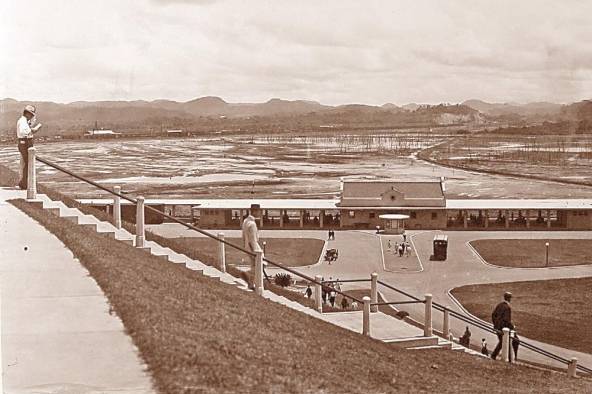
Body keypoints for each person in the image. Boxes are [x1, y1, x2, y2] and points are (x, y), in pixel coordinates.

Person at [16, 105, 42, 190]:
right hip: (25, 143)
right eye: (31, 114)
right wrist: (36, 128)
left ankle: (24, 183)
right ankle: (24, 184)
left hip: (24, 143)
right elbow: (26, 133)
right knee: (28, 164)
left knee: (27, 164)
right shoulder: (23, 121)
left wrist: (31, 124)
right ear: (27, 113)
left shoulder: (24, 121)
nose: (31, 116)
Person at [242, 204, 264, 289]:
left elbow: (244, 236)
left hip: (247, 247)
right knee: (261, 264)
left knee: (253, 266)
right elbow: (253, 240)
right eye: (258, 211)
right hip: (253, 248)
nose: (259, 213)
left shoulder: (245, 221)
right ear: (254, 211)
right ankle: (247, 274)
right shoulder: (252, 224)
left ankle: (250, 284)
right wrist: (257, 252)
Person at [491, 291, 515, 360]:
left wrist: (495, 324)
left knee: (503, 342)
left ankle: (496, 356)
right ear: (509, 299)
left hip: (497, 328)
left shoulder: (499, 305)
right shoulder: (507, 308)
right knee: (504, 342)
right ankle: (494, 356)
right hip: (503, 329)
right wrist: (512, 326)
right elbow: (507, 320)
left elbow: (493, 315)